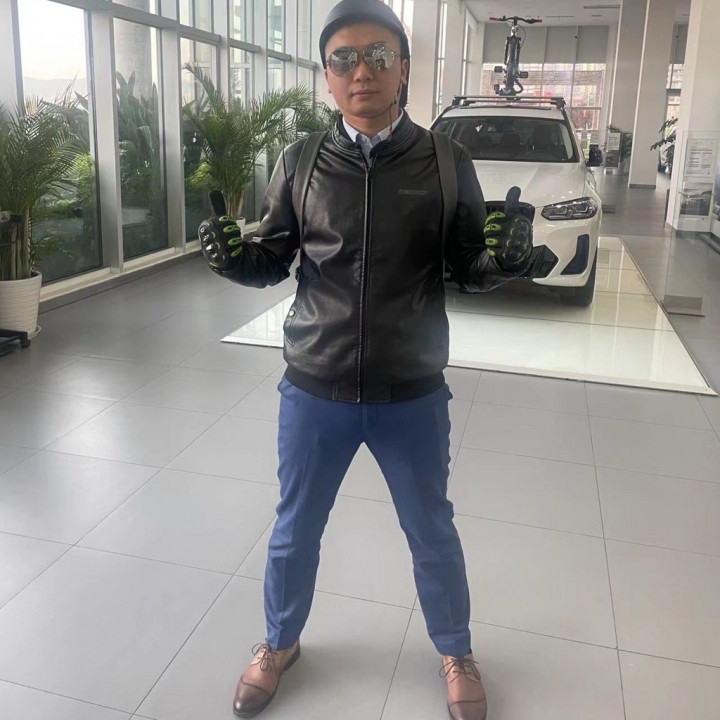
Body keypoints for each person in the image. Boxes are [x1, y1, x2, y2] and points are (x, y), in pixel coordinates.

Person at [198, 2, 533, 718]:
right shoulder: (301, 161)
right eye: (344, 59)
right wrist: (234, 260)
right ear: (326, 75)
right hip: (314, 386)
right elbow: (273, 257)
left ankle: (454, 649)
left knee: (431, 530)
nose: (362, 72)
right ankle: (278, 642)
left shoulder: (446, 161)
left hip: (410, 391)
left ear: (403, 67)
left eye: (379, 55)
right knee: (294, 530)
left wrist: (503, 262)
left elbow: (467, 266)